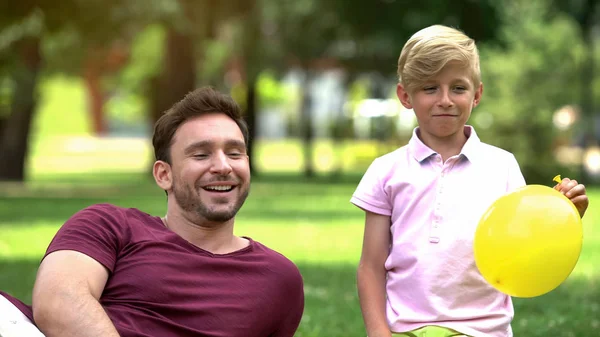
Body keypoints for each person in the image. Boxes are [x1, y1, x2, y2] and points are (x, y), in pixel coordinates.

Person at [0, 87, 305, 337]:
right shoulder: (108, 225)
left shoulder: (278, 278)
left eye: (234, 153)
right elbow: (58, 302)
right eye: (201, 154)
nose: (223, 166)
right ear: (163, 175)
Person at [350, 25, 589, 337]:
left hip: (484, 330)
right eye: (430, 88)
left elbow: (523, 240)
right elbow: (371, 265)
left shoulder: (502, 165)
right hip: (406, 329)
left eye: (458, 88)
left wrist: (565, 214)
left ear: (477, 94)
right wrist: (378, 332)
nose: (445, 100)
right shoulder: (386, 170)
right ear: (405, 96)